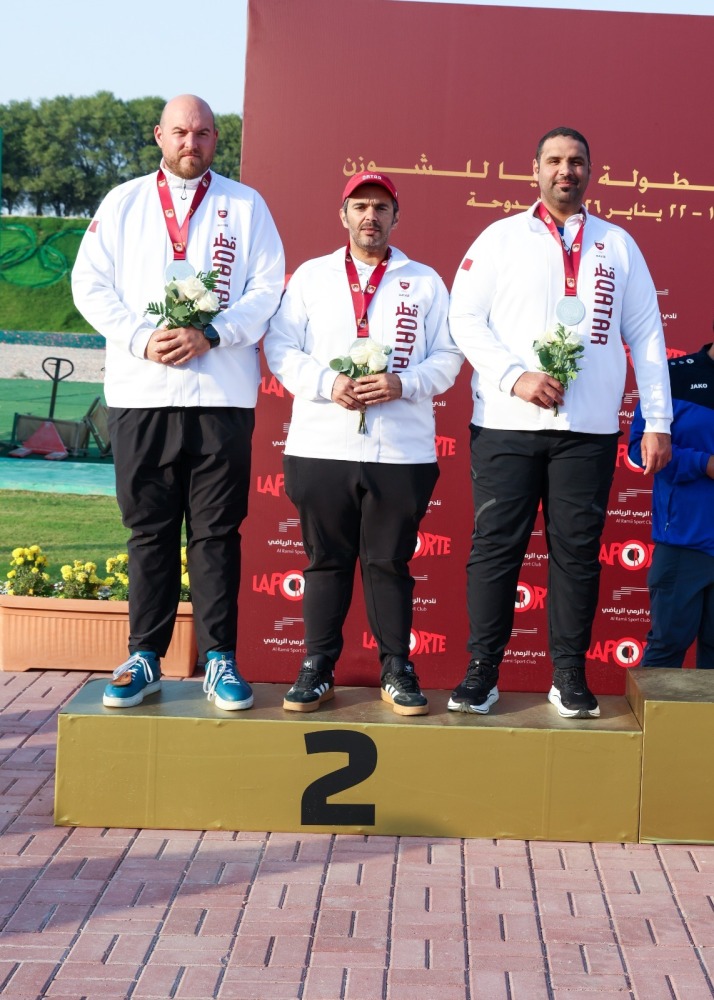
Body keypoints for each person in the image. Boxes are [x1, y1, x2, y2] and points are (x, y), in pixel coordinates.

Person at [449, 126, 672, 718]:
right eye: (554, 161)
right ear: (535, 170)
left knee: (576, 555)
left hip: (589, 430)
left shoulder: (617, 245)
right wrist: (513, 377)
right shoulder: (499, 238)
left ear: (590, 172)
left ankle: (568, 675)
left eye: (576, 162)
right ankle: (481, 672)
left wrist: (659, 420)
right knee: (497, 550)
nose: (565, 171)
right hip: (506, 423)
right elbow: (464, 317)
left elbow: (647, 335)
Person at [72, 94, 284, 710]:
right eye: (182, 133)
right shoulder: (124, 202)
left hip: (220, 394)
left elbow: (269, 286)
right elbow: (89, 283)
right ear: (159, 136)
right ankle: (145, 656)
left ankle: (219, 658)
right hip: (142, 393)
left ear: (218, 140)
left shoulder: (246, 206)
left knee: (217, 532)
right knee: (149, 529)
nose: (192, 142)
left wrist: (212, 333)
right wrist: (141, 337)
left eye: (205, 133)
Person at [263, 170, 462, 716]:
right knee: (325, 562)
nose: (370, 216)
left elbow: (449, 357)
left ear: (396, 217)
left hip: (401, 452)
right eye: (360, 206)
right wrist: (329, 384)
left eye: (380, 207)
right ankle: (317, 667)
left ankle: (397, 668)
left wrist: (405, 383)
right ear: (343, 215)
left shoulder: (424, 282)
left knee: (389, 564)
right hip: (321, 446)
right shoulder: (310, 277)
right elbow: (279, 347)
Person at [629, 338, 714, 668]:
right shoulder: (671, 376)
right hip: (684, 542)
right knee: (667, 646)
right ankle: (658, 722)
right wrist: (704, 463)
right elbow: (640, 451)